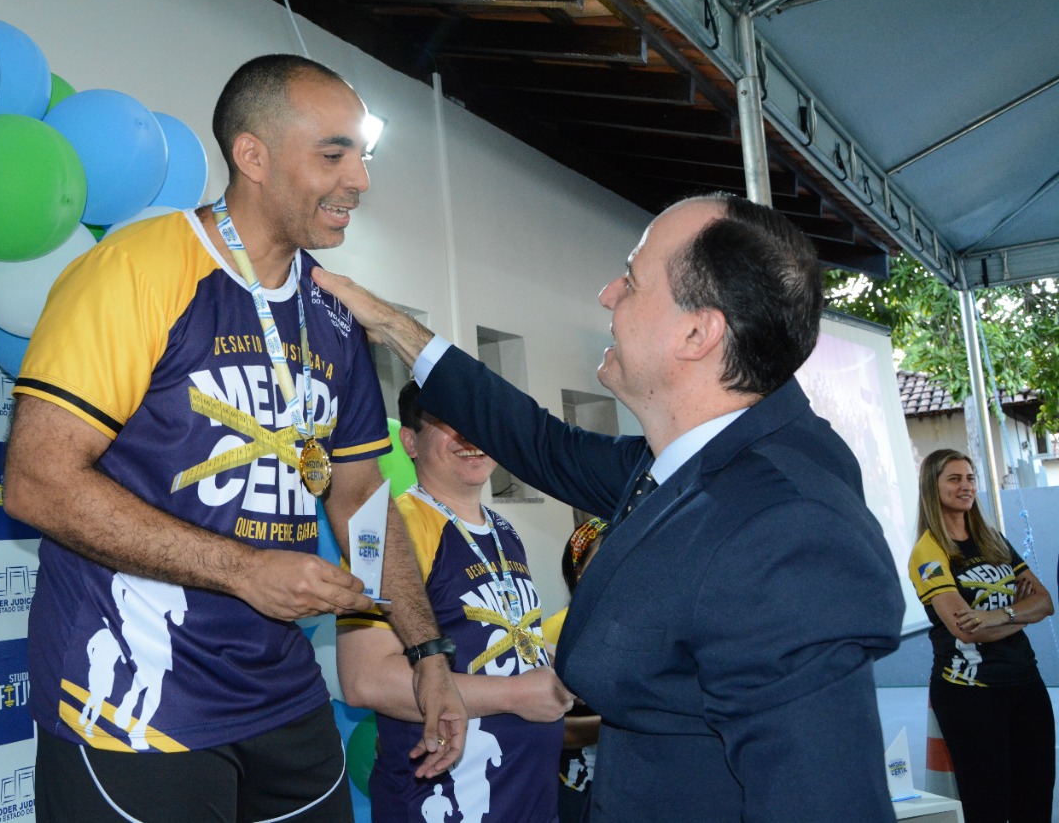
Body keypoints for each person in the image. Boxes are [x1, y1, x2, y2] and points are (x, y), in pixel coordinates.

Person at [313, 191, 906, 820]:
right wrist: (400, 330)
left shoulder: (783, 528)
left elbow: (822, 799)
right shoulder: (696, 462)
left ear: (698, 333)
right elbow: (542, 443)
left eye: (631, 280)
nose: (606, 295)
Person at [3, 53, 466, 822]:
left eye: (363, 154)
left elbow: (360, 502)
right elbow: (38, 479)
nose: (360, 180)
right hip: (134, 698)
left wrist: (427, 653)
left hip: (282, 694)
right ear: (252, 155)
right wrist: (244, 569)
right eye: (333, 153)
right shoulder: (135, 269)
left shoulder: (336, 315)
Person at [338, 381, 571, 821]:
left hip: (526, 800)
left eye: (479, 423)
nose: (471, 437)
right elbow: (364, 679)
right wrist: (517, 694)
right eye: (449, 423)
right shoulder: (386, 530)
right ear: (409, 440)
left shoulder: (505, 533)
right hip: (444, 805)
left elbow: (488, 646)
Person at [907, 449, 1054, 822]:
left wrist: (995, 616)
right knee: (989, 808)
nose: (966, 486)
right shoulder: (928, 551)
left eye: (970, 478)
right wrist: (1019, 615)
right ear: (932, 487)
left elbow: (1045, 602)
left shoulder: (992, 539)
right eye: (954, 479)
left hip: (1025, 684)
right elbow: (964, 629)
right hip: (970, 696)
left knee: (1035, 802)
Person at [541, 518, 607, 822]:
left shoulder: (634, 632)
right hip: (571, 789)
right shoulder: (557, 633)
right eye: (603, 562)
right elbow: (555, 730)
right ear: (578, 571)